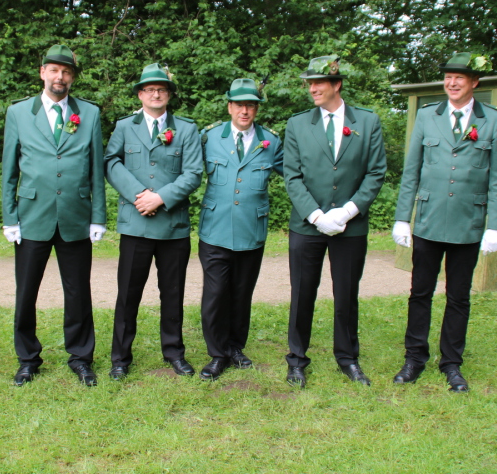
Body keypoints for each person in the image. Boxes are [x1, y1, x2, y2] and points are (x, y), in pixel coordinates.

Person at [392, 52, 497, 392]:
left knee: (459, 296)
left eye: (459, 77)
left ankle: (452, 363)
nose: (452, 83)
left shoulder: (493, 120)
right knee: (420, 293)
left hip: (468, 223)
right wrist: (402, 218)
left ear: (474, 82)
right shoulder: (428, 116)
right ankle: (414, 358)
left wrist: (495, 225)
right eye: (448, 77)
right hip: (429, 221)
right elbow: (412, 171)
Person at [1, 44, 106, 387]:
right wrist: (10, 217)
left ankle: (81, 357)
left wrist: (98, 216)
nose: (60, 77)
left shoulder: (89, 113)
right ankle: (27, 358)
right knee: (26, 292)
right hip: (32, 216)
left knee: (78, 292)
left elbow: (95, 169)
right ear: (42, 73)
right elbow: (9, 170)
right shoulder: (18, 113)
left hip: (76, 215)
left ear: (72, 78)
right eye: (54, 70)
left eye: (67, 72)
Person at [283, 56, 387, 389]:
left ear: (336, 84)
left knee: (346, 294)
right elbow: (292, 176)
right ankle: (297, 360)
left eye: (319, 83)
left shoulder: (367, 122)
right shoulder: (298, 124)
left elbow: (375, 172)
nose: (312, 88)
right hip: (307, 226)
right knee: (302, 294)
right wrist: (316, 215)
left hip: (350, 226)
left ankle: (348, 359)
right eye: (309, 83)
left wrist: (346, 212)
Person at [104, 63, 203, 380]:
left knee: (172, 293)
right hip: (135, 223)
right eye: (150, 89)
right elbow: (111, 161)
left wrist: (160, 198)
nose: (156, 94)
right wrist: (139, 195)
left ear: (169, 94)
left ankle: (174, 353)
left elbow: (193, 173)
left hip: (172, 226)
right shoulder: (124, 127)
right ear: (140, 94)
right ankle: (120, 358)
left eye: (162, 89)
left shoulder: (186, 129)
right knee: (128, 295)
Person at [197, 79, 284, 380]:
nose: (244, 110)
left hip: (251, 230)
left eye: (251, 105)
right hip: (215, 229)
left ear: (256, 109)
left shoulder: (271, 141)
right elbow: (186, 169)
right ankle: (217, 354)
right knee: (215, 294)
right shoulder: (209, 137)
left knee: (241, 293)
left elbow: (296, 173)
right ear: (229, 106)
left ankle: (235, 347)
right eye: (239, 105)